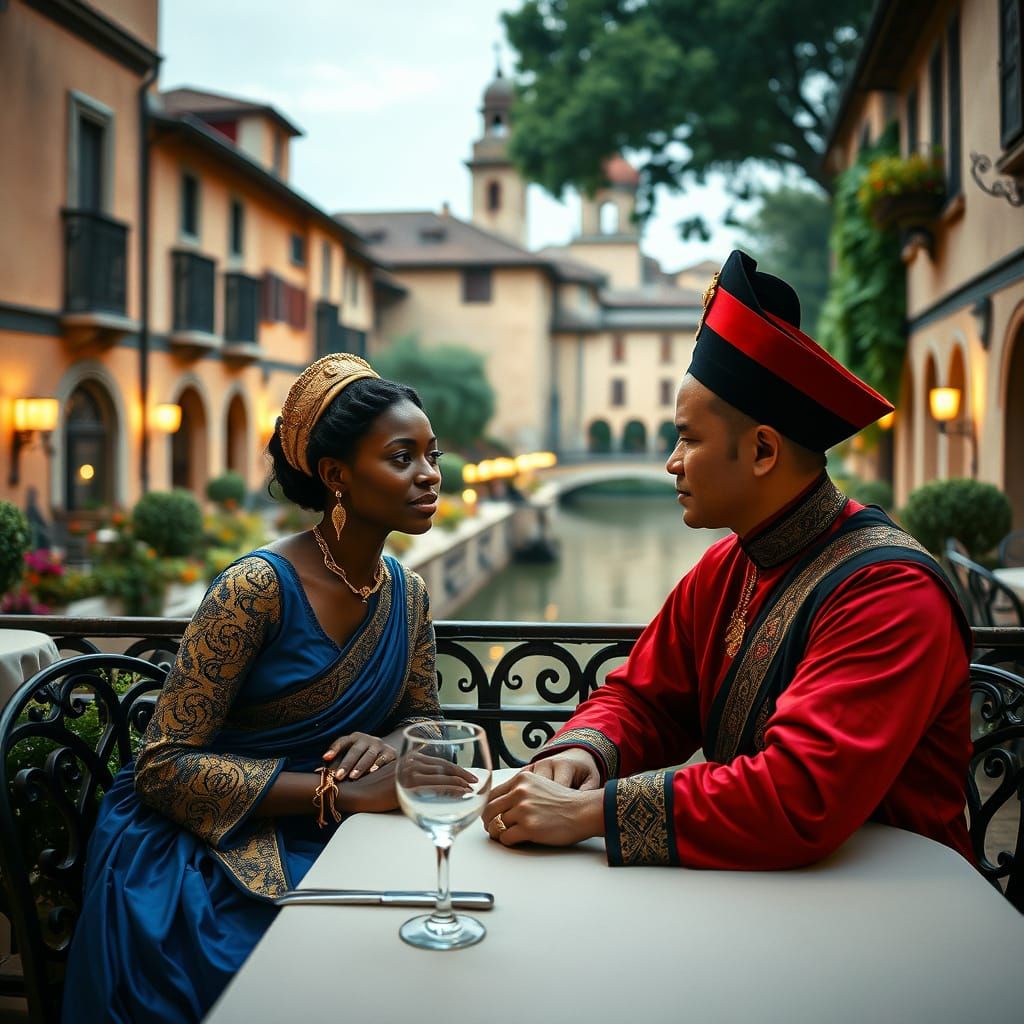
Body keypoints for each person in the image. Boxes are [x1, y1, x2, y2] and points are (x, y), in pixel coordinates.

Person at [483, 250, 974, 871]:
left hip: (902, 896)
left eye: (688, 437)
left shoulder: (890, 592)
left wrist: (590, 814)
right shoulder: (726, 565)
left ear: (763, 450)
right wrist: (585, 753)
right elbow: (645, 698)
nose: (671, 461)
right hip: (770, 886)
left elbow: (799, 795)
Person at [62, 354, 456, 1023]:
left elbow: (426, 722)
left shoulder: (408, 593)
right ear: (335, 475)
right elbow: (161, 767)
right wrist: (335, 791)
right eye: (402, 457)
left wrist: (386, 743)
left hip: (342, 829)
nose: (429, 474)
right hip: (207, 847)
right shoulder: (255, 589)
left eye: (431, 454)